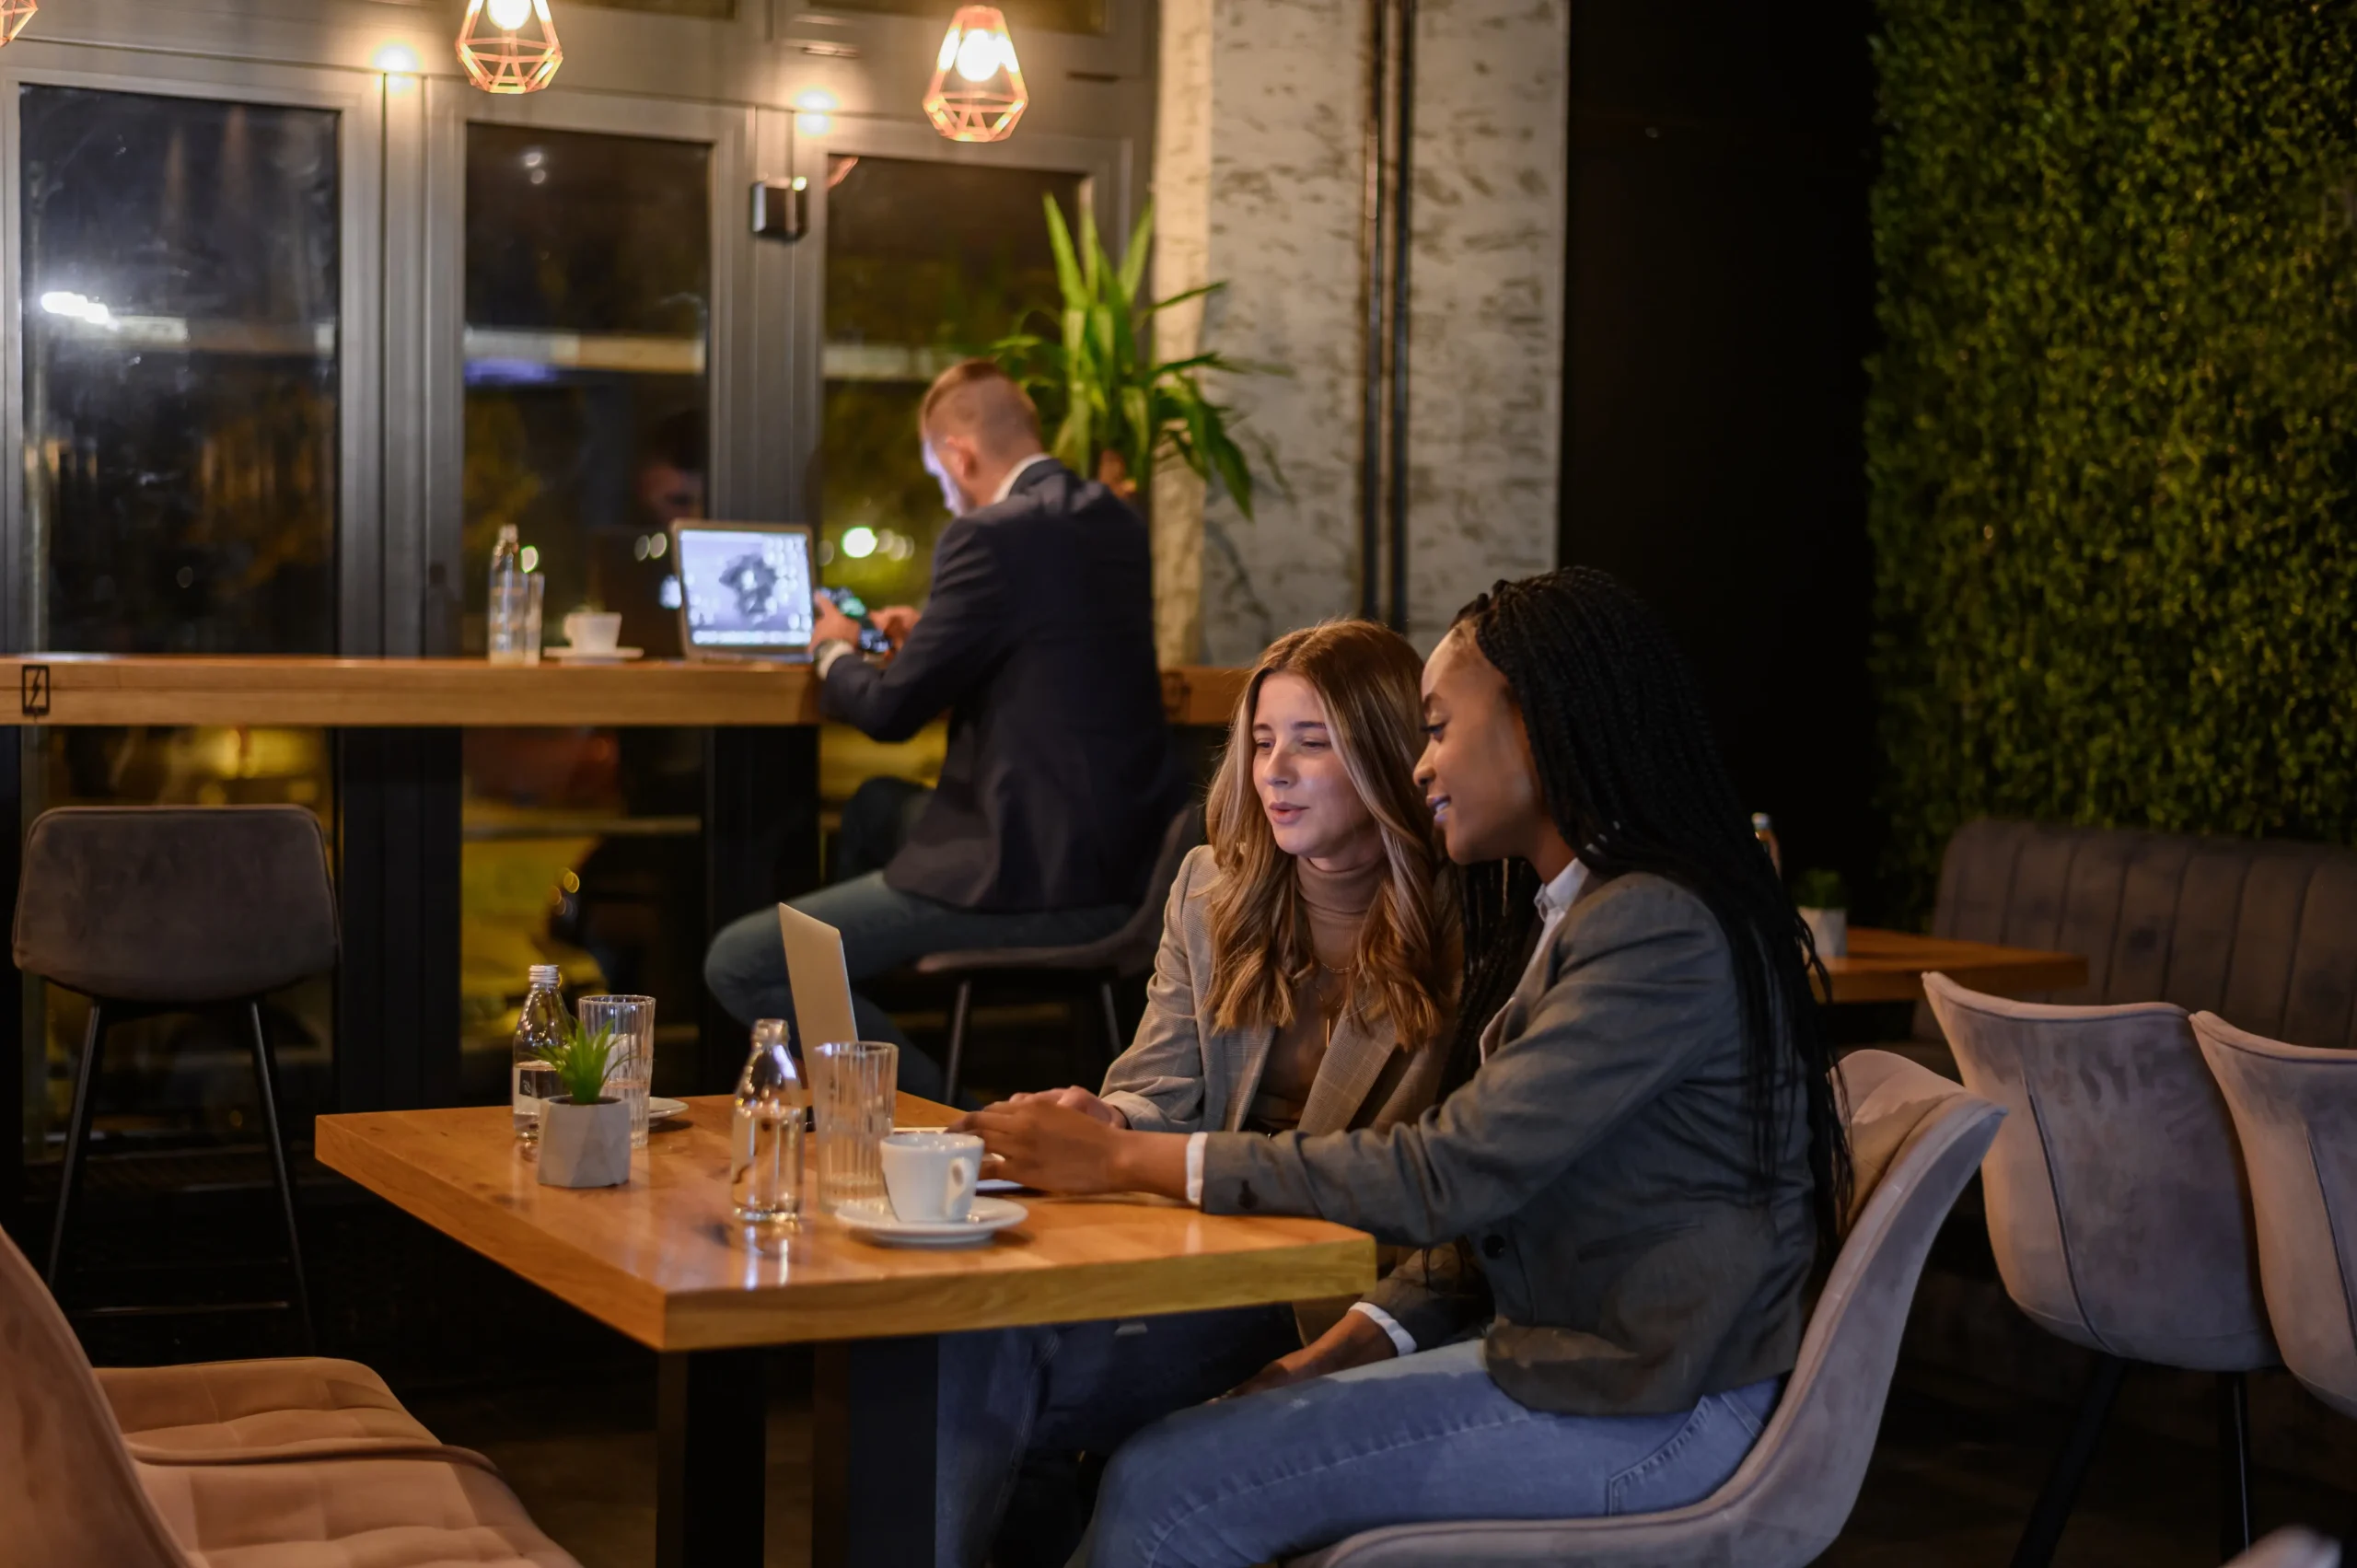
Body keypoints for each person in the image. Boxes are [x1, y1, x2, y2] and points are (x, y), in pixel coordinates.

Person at [964, 566, 1852, 1566]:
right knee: (1073, 1418)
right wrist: (1314, 1354)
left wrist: (1126, 1162)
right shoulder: (1585, 908)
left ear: (1535, 725)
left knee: (1163, 1482)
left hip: (1651, 1404)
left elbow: (1448, 1173)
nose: (1423, 765)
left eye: (1437, 728)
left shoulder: (1646, 922)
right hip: (1582, 1365)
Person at [935, 619, 1457, 1568]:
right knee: (971, 1353)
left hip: (1351, 1293)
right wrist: (1111, 1118)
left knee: (1066, 1411)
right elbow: (1155, 1086)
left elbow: (1449, 1206)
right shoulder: (1212, 886)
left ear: (1387, 754)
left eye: (1312, 741)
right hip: (1212, 1263)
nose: (1275, 771)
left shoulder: (1470, 921)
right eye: (1261, 742)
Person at [702, 360, 1181, 1098]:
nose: (947, 493)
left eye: (939, 475)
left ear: (960, 454)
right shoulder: (1113, 518)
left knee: (743, 960)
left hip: (1027, 875)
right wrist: (934, 635)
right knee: (874, 807)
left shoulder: (988, 535)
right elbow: (1050, 643)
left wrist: (831, 649)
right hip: (1123, 865)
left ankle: (936, 1108)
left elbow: (891, 711)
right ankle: (849, 1002)